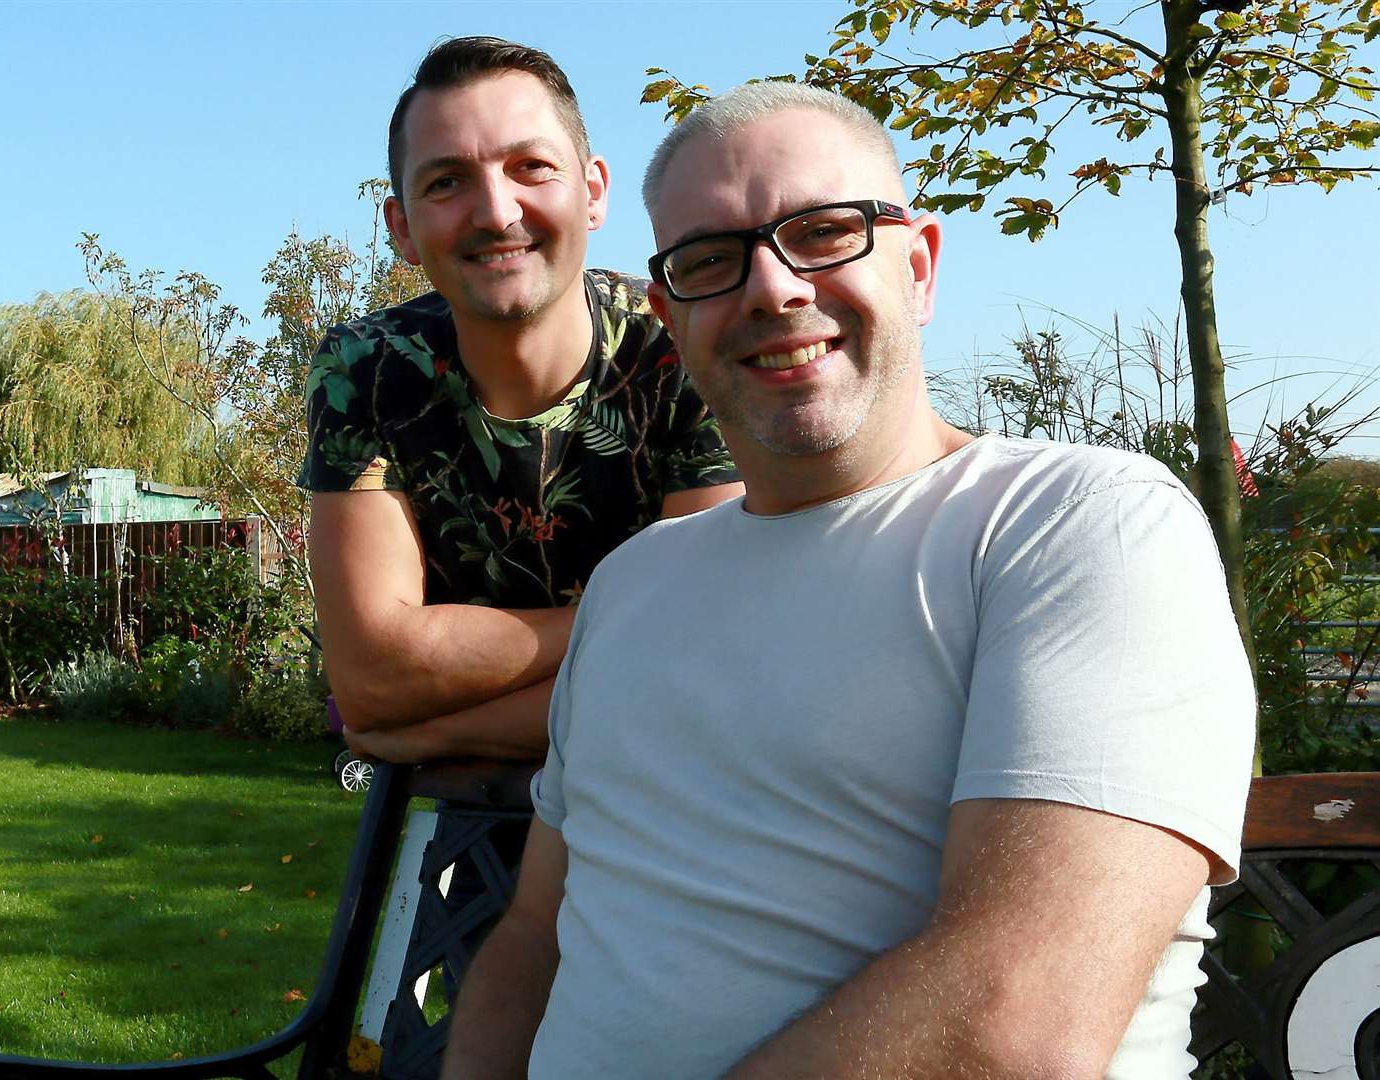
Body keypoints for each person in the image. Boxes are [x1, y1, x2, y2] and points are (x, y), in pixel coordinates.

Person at [443, 82, 1255, 1079]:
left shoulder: (1076, 526)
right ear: (669, 316)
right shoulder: (632, 584)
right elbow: (534, 934)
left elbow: (1014, 1022)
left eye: (823, 232)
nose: (772, 288)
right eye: (709, 259)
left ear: (916, 266)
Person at [299, 37, 741, 765]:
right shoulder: (367, 368)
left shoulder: (681, 342)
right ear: (401, 229)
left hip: (682, 803)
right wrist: (640, 618)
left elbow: (707, 664)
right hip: (461, 818)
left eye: (530, 167)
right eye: (446, 183)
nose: (496, 212)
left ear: (594, 191)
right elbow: (372, 680)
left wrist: (441, 729)